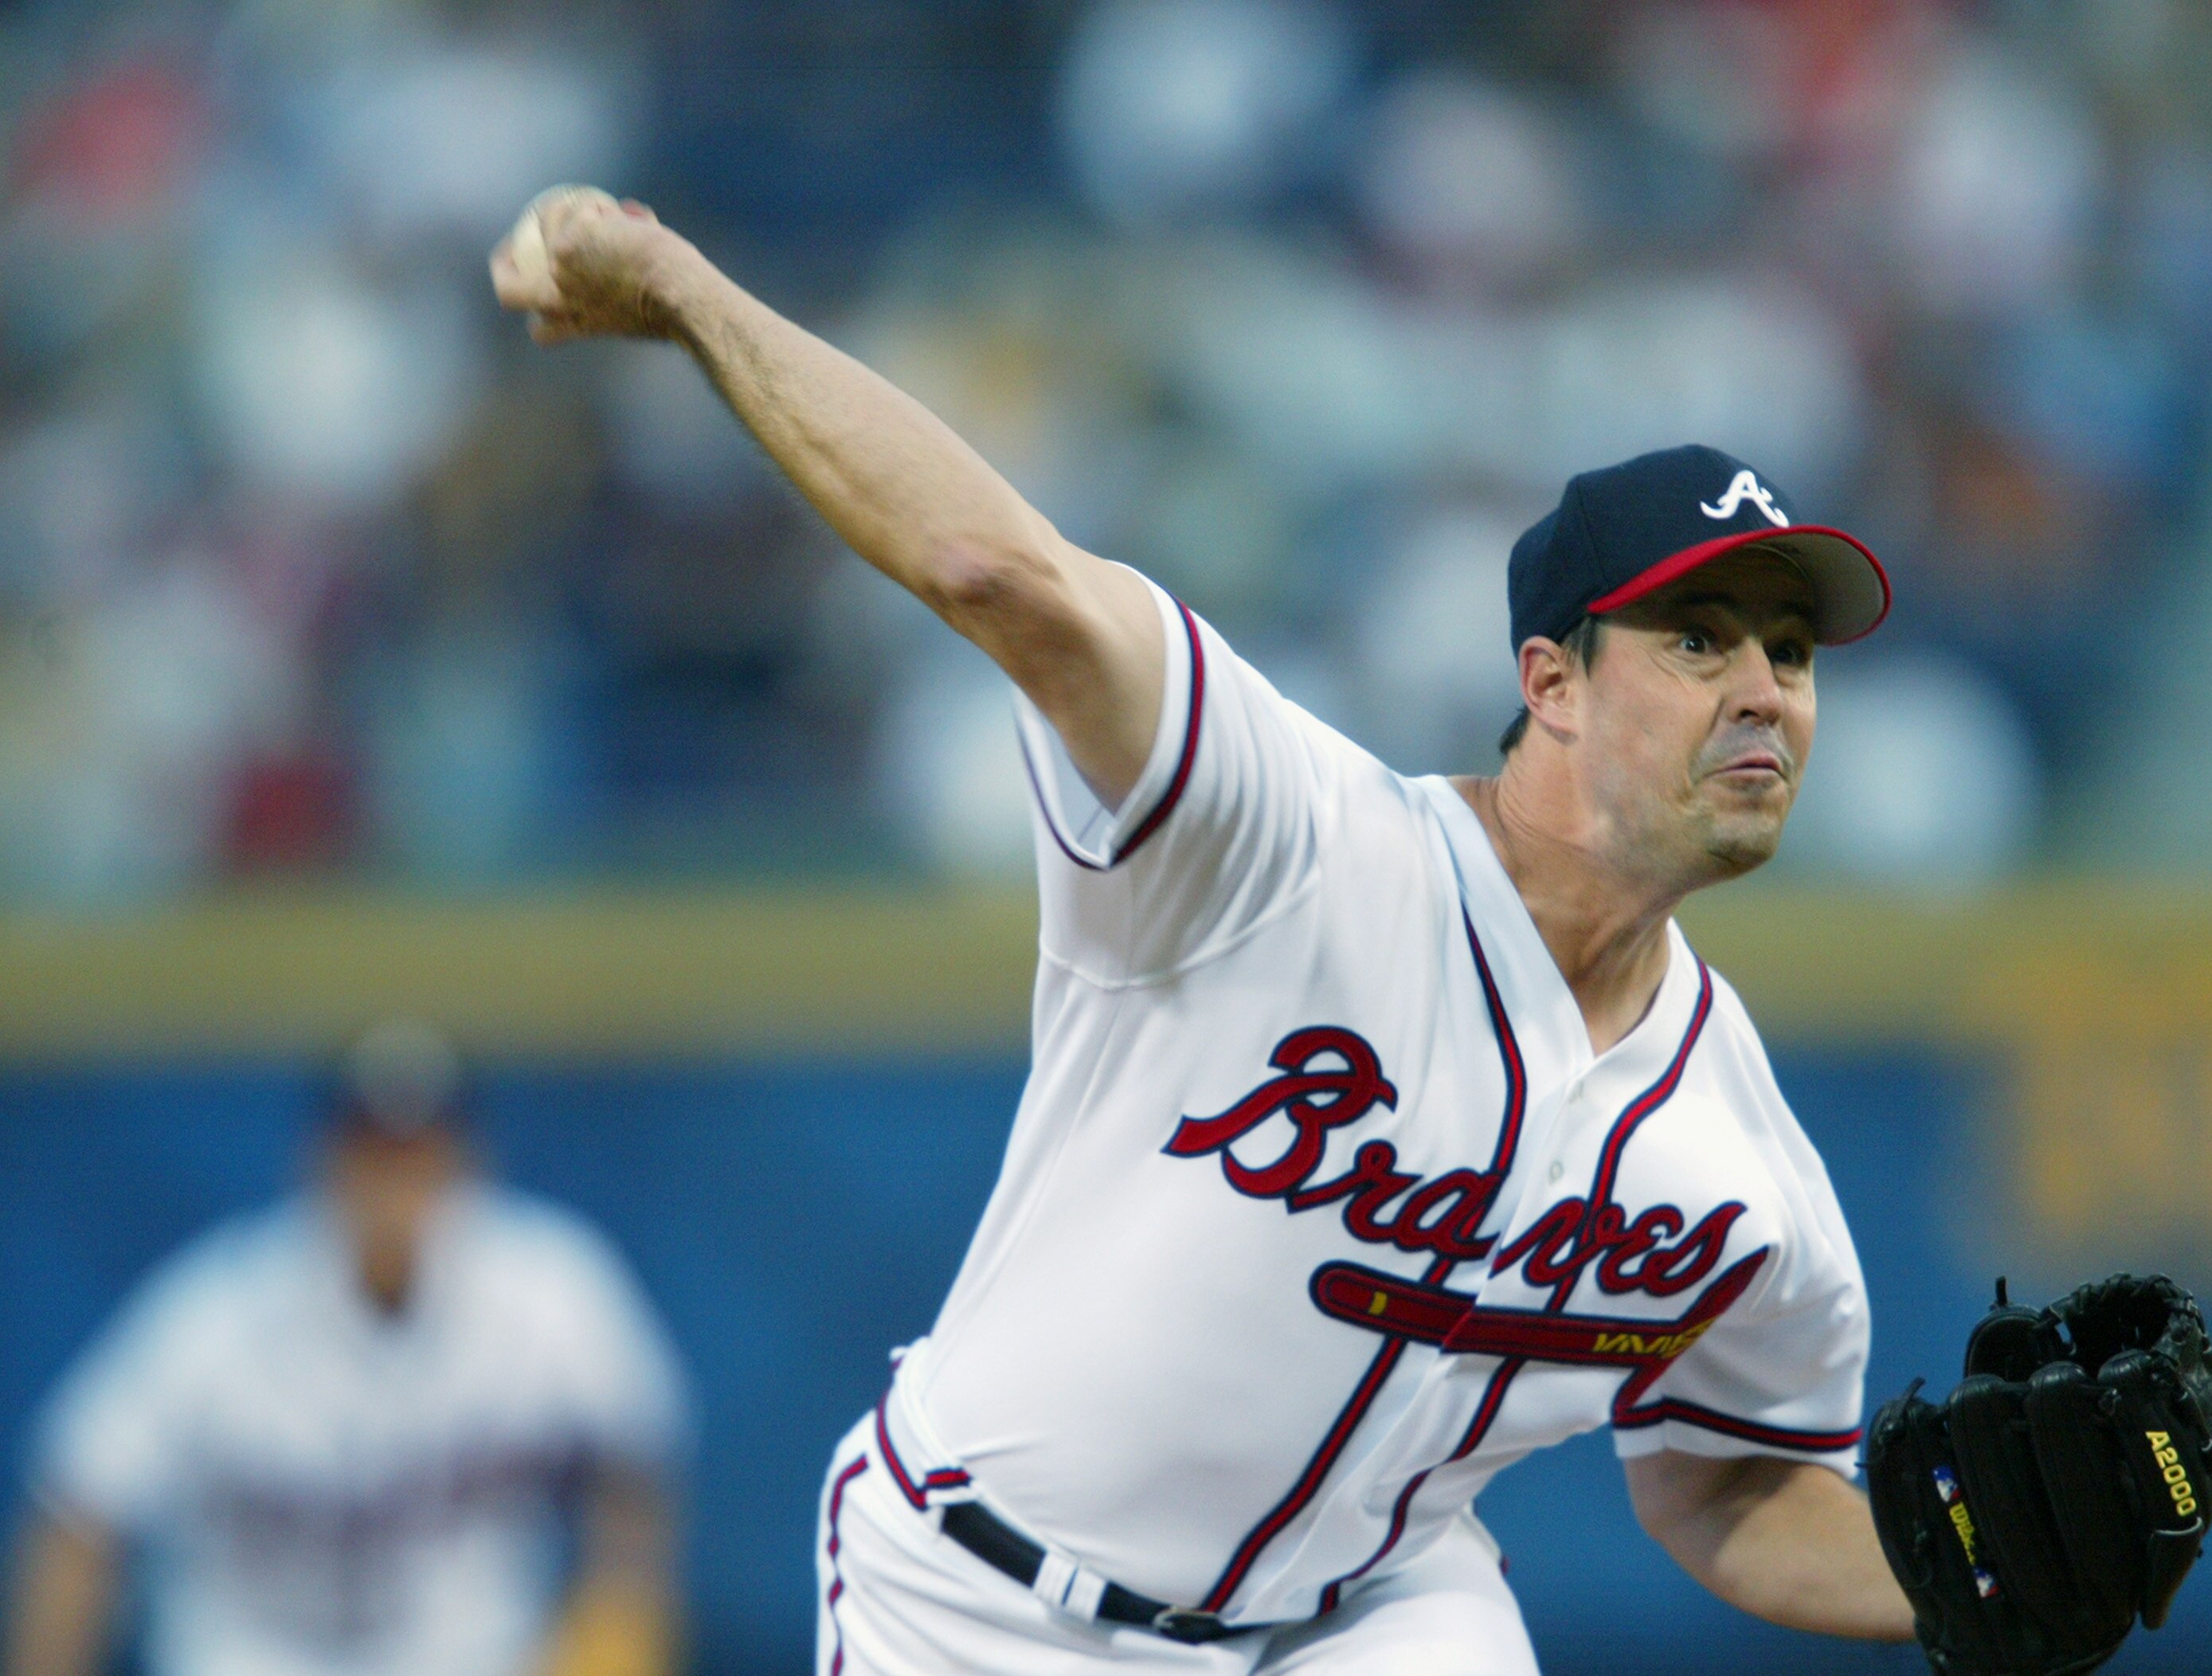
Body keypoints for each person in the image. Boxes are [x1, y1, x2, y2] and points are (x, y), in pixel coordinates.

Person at [492, 196, 1915, 1674]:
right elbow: (1001, 574)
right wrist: (681, 290)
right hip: (986, 1598)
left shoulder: (1740, 1159)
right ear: (1550, 682)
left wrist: (1976, 1584)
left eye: (1791, 651)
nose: (1764, 688)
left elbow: (1733, 1477)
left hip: (1366, 1614)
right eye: (1699, 639)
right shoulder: (1285, 838)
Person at [3, 1020, 691, 1676]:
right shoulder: (220, 1313)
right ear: (322, 1161)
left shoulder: (553, 1287)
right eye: (374, 1154)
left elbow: (635, 1468)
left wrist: (621, 1611)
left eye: (420, 1154)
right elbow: (77, 1516)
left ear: (470, 1162)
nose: (398, 1188)